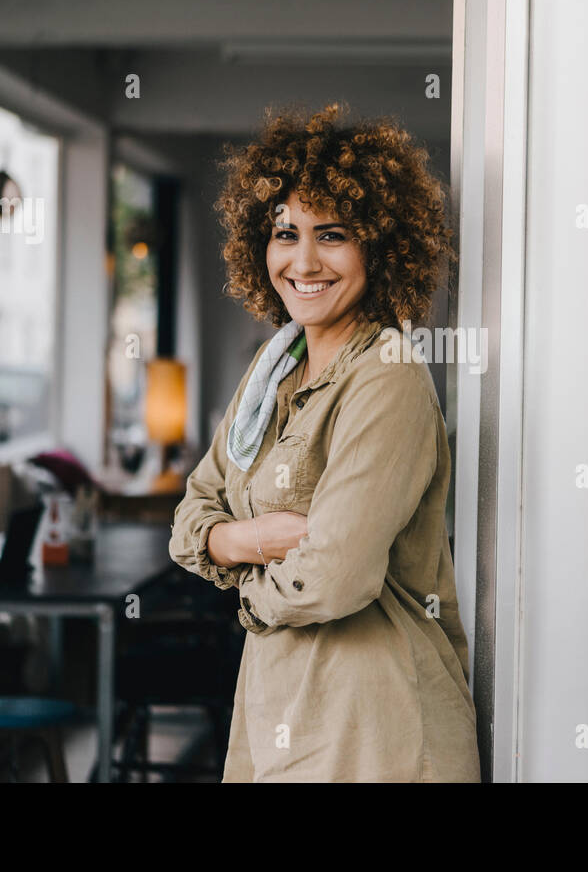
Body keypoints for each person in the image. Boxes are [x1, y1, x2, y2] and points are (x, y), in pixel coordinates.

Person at [168, 103, 480, 782]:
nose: (303, 260)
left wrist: (245, 589)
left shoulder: (387, 376)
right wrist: (263, 539)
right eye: (286, 232)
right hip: (278, 706)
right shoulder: (271, 368)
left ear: (379, 243)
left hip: (376, 727)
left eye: (332, 234)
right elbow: (192, 515)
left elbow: (336, 575)